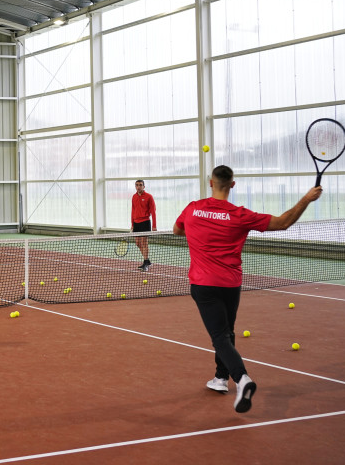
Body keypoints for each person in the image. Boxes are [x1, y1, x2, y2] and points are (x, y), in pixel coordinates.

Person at [173, 165, 322, 413]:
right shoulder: (241, 215)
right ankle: (221, 378)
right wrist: (306, 199)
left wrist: (199, 229)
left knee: (220, 337)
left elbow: (178, 230)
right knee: (227, 333)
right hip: (231, 285)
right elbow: (282, 223)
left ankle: (243, 379)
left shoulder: (192, 208)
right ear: (233, 185)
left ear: (210, 183)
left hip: (203, 284)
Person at [131, 180, 157, 271]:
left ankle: (145, 262)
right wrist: (132, 224)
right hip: (136, 223)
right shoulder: (134, 197)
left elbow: (153, 211)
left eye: (140, 185)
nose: (138, 187)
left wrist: (154, 225)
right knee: (138, 243)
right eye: (137, 185)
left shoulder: (149, 197)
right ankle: (147, 260)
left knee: (144, 243)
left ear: (144, 186)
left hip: (145, 222)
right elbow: (133, 210)